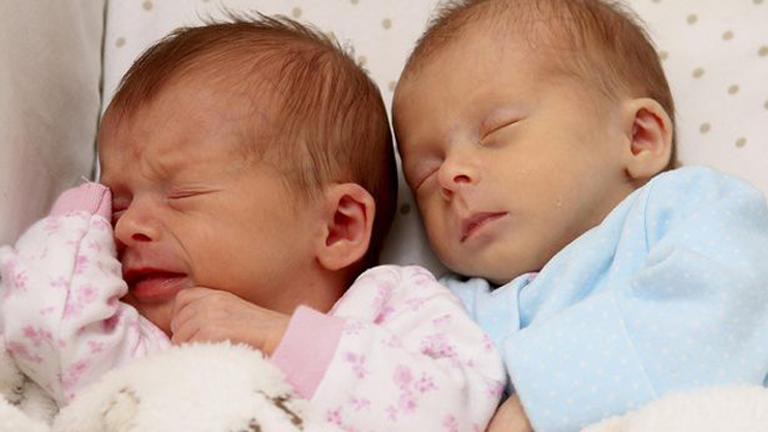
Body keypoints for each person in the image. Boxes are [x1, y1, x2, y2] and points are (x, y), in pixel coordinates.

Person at [0, 15, 505, 431]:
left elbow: (458, 410)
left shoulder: (392, 307)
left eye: (181, 194)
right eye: (118, 202)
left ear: (338, 227)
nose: (128, 225)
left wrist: (282, 340)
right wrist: (81, 218)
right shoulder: (145, 340)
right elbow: (44, 328)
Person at [391, 0, 768, 431]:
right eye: (424, 174)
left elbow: (725, 310)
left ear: (638, 138)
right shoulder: (446, 308)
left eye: (497, 130)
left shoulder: (687, 208)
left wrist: (542, 396)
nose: (449, 175)